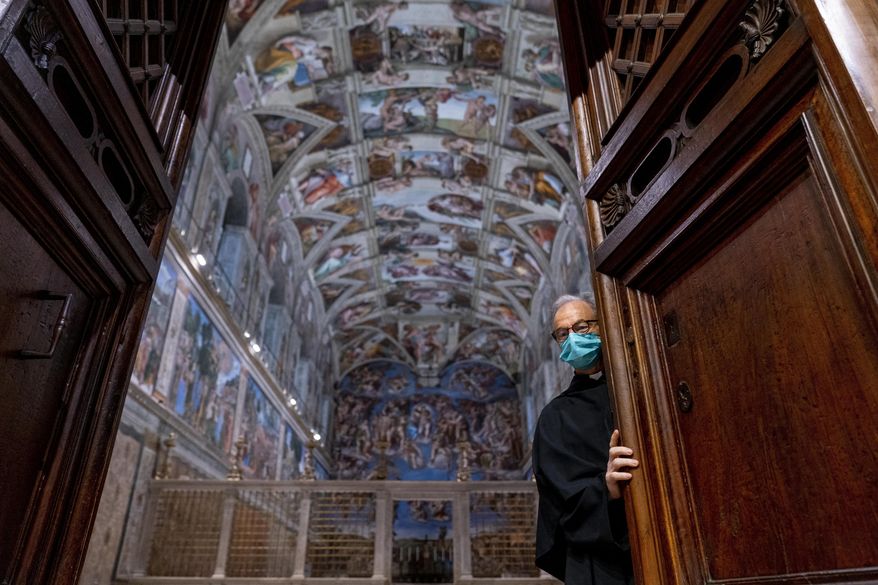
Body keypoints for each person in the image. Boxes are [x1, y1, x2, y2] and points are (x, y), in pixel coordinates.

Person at [532, 294, 639, 584]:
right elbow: (559, 500)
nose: (573, 338)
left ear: (603, 325)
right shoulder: (555, 417)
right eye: (562, 333)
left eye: (581, 327)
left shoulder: (641, 387)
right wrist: (606, 489)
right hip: (598, 564)